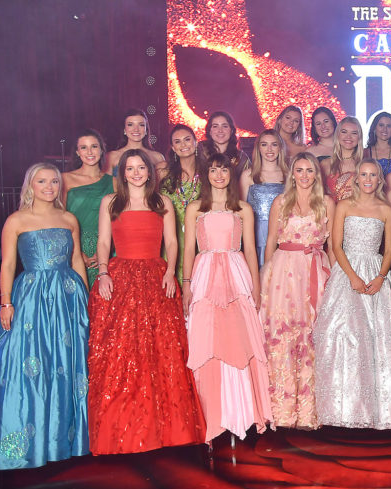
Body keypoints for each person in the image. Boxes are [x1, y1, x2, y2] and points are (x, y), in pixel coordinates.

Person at [0, 163, 89, 470]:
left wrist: (86, 299)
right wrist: (5, 303)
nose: (49, 186)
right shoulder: (16, 220)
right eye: (42, 181)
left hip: (67, 298)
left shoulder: (68, 218)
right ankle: (19, 441)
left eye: (54, 181)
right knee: (25, 366)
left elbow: (77, 259)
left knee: (66, 366)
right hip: (32, 298)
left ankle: (61, 438)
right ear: (31, 185)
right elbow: (8, 265)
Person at [88, 149, 205, 454]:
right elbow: (103, 242)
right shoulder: (110, 202)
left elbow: (172, 242)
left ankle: (167, 430)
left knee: (161, 351)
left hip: (156, 277)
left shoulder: (162, 202)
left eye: (142, 168)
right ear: (122, 173)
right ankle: (122, 429)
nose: (137, 173)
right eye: (130, 168)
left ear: (150, 172)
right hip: (121, 277)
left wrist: (169, 272)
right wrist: (102, 273)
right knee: (122, 352)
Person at [313, 160, 391, 429]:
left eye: (373, 175)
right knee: (341, 336)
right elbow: (336, 245)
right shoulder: (344, 205)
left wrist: (380, 278)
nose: (368, 179)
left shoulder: (386, 210)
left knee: (374, 340)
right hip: (347, 274)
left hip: (375, 274)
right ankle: (341, 410)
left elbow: (389, 251)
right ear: (357, 178)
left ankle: (376, 413)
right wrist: (353, 276)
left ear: (380, 179)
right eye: (363, 175)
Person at [183, 153, 273, 442]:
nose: (218, 175)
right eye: (213, 170)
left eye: (223, 170)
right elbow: (188, 250)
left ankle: (242, 414)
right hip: (205, 275)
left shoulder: (243, 209)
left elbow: (250, 250)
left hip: (236, 275)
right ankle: (212, 417)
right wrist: (186, 284)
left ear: (230, 175)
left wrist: (256, 288)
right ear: (205, 174)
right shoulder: (195, 208)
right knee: (206, 340)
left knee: (241, 339)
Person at [259, 153, 335, 430]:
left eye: (309, 170)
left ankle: (310, 412)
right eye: (299, 170)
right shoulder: (281, 202)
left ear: (317, 174)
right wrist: (263, 278)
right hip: (282, 273)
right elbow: (270, 242)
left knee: (312, 337)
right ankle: (281, 410)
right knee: (281, 336)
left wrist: (335, 281)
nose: (304, 175)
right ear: (292, 174)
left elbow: (332, 246)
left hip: (314, 270)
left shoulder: (327, 203)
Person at [63, 128, 113, 285]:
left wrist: (105, 252)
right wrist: (76, 252)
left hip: (108, 250)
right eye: (83, 147)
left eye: (94, 146)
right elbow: (59, 219)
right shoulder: (65, 179)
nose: (89, 152)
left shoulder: (114, 182)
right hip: (75, 248)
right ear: (77, 152)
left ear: (102, 149)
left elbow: (120, 221)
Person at [158, 124, 204, 281]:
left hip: (200, 241)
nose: (183, 145)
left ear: (196, 142)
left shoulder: (208, 172)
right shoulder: (163, 171)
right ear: (172, 147)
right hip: (170, 240)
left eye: (187, 140)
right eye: (177, 142)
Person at [241, 129, 289, 265]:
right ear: (258, 148)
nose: (269, 149)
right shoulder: (248, 175)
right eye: (264, 144)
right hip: (256, 233)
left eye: (274, 144)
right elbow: (241, 211)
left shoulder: (289, 175)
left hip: (283, 232)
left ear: (280, 148)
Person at [103, 109, 165, 175]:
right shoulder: (111, 157)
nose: (136, 129)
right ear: (124, 129)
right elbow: (106, 184)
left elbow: (163, 184)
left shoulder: (158, 157)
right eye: (130, 124)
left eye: (141, 125)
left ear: (146, 129)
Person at [321, 116, 363, 203]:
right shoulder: (325, 164)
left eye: (354, 133)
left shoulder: (365, 165)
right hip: (331, 213)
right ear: (338, 135)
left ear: (359, 137)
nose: (348, 137)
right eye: (344, 132)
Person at [363, 111, 391, 175]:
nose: (385, 129)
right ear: (374, 128)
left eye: (388, 126)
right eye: (381, 125)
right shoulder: (365, 153)